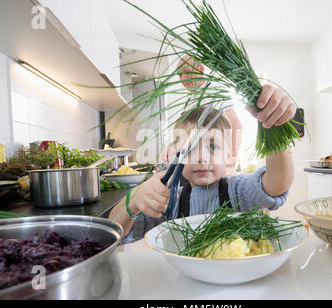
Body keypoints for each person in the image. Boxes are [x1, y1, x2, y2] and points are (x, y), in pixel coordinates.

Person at [109, 83, 296, 244]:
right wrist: (133, 200)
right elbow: (115, 233)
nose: (201, 158)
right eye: (189, 149)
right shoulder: (168, 197)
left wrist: (274, 126)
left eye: (213, 146)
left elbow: (277, 184)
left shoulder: (236, 190)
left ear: (229, 155)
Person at [160, 56, 242, 176]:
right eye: (180, 75)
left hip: (212, 168)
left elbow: (236, 126)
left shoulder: (216, 89)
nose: (183, 78)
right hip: (194, 168)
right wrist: (173, 146)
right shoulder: (189, 99)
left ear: (201, 69)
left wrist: (230, 165)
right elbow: (188, 135)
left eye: (187, 72)